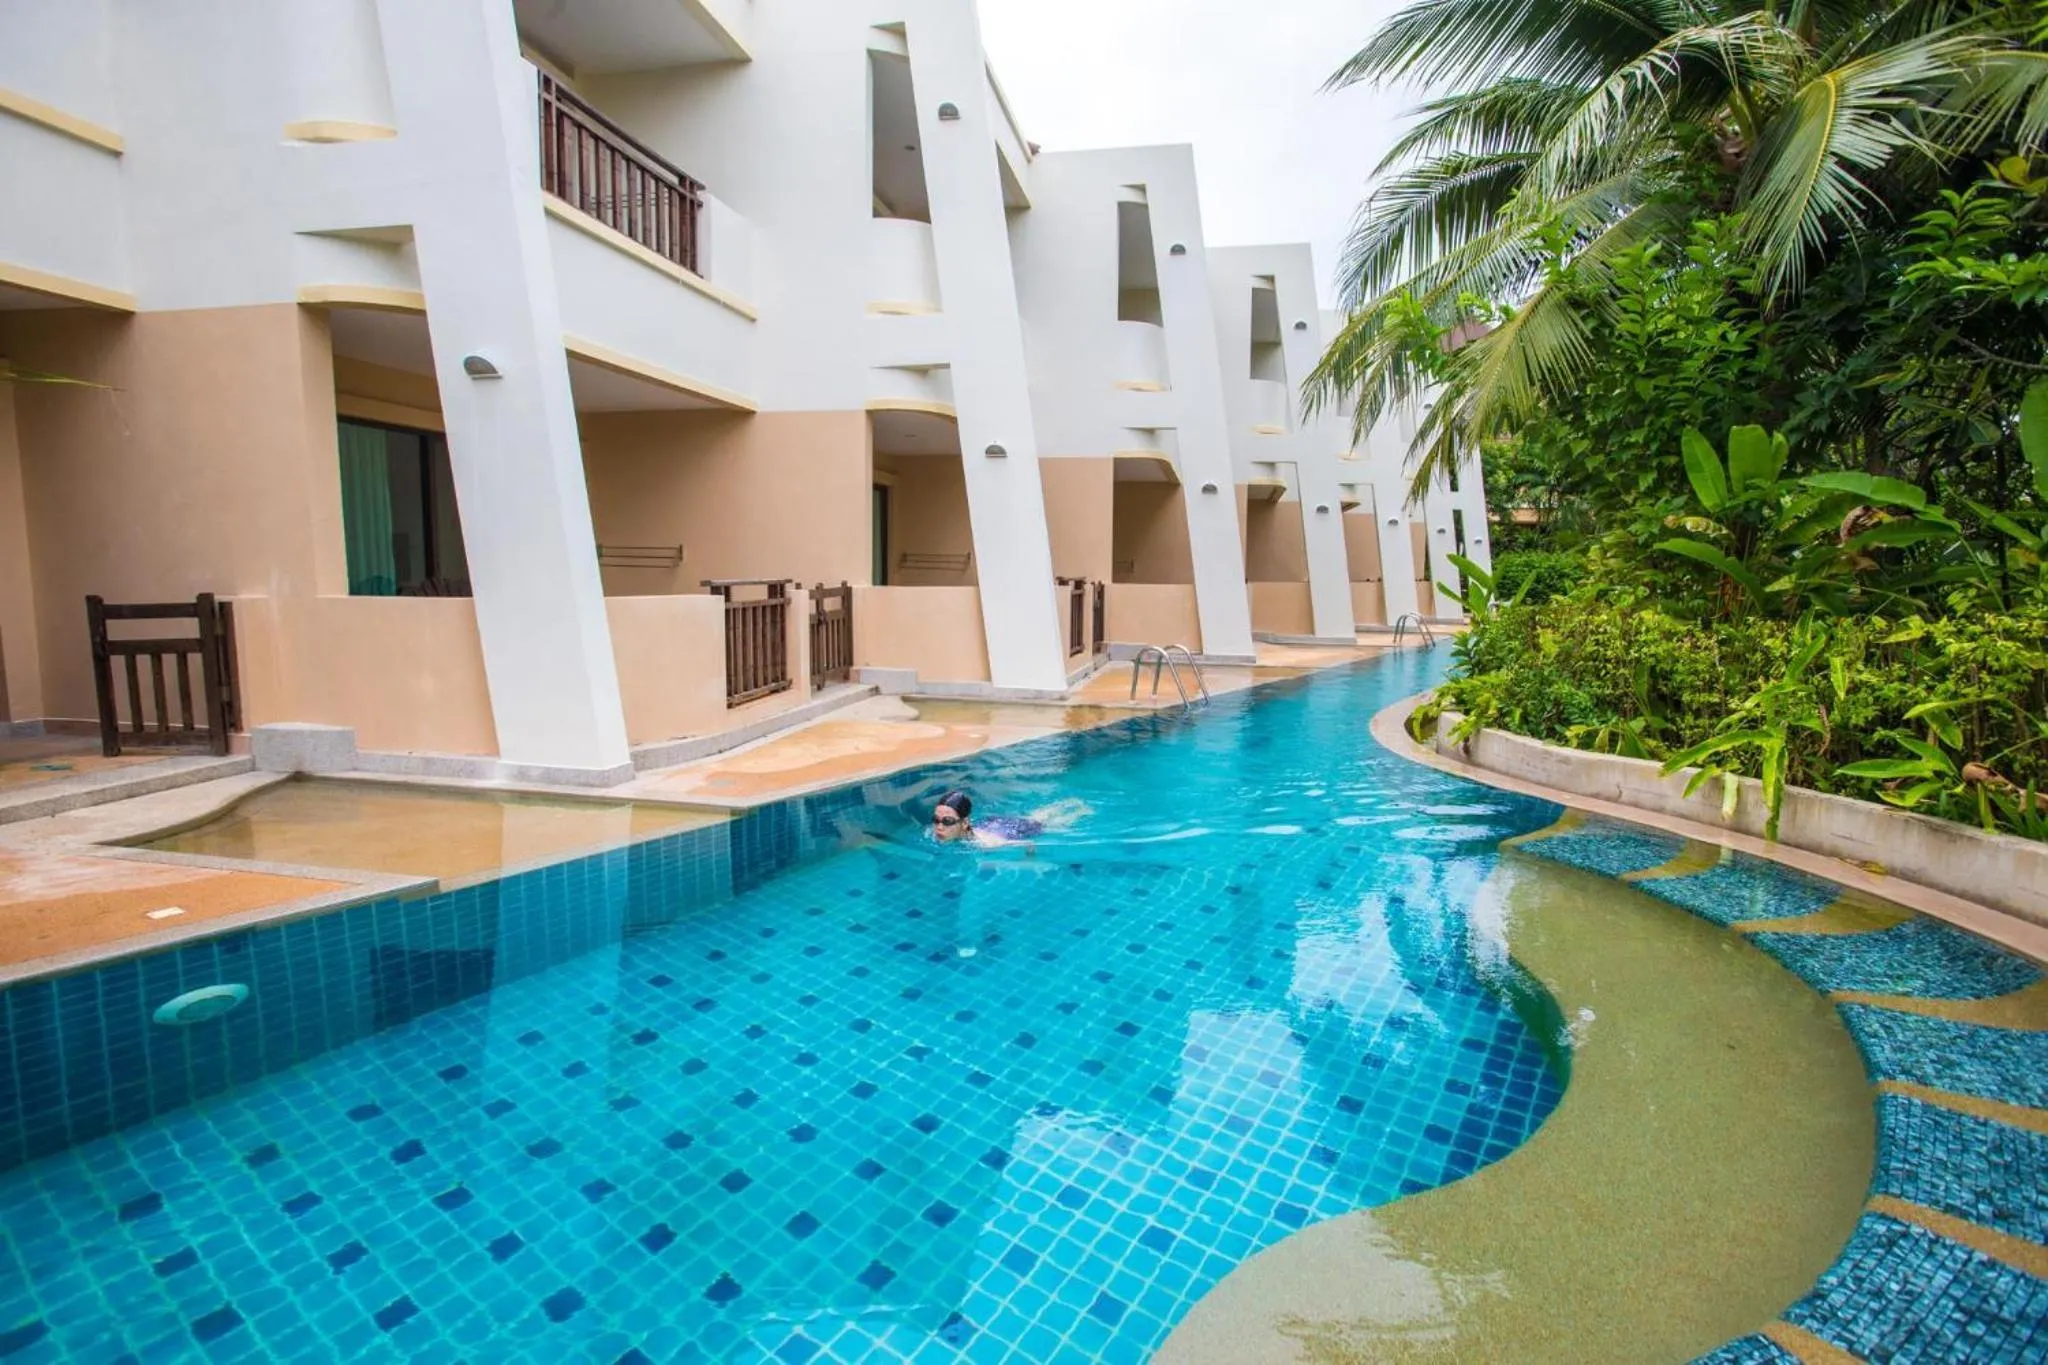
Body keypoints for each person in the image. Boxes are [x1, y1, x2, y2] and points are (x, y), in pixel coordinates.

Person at [930, 790, 1089, 847]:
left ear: (965, 823)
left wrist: (1030, 860)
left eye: (947, 821)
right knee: (1034, 817)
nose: (939, 827)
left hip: (1008, 831)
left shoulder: (989, 844)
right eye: (936, 820)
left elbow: (1029, 843)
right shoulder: (936, 833)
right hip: (991, 824)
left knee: (1042, 823)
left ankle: (1081, 810)